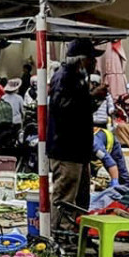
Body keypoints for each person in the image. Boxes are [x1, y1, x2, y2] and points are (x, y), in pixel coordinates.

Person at [47, 40, 101, 227]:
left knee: (80, 197)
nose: (95, 63)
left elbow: (81, 110)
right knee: (65, 196)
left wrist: (94, 99)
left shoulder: (79, 77)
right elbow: (63, 109)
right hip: (66, 149)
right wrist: (92, 96)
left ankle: (75, 236)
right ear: (82, 60)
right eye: (92, 59)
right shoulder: (65, 77)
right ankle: (60, 237)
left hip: (78, 150)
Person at [92, 113, 129, 186]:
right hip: (95, 148)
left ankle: (127, 188)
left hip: (112, 145)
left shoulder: (95, 145)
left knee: (122, 173)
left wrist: (114, 181)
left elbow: (111, 164)